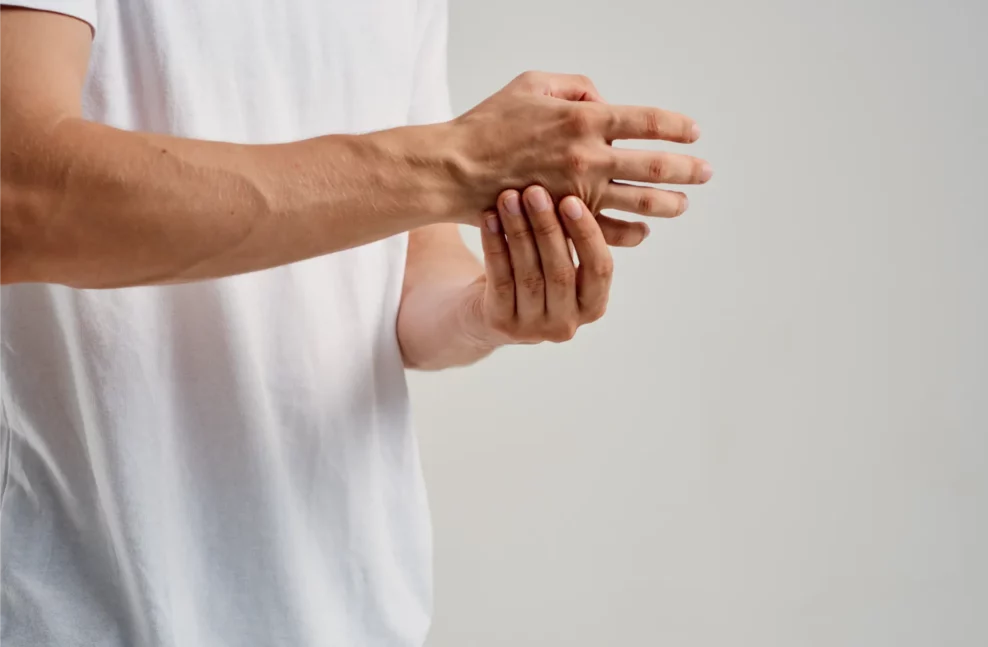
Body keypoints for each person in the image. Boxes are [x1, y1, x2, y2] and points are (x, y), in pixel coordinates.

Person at [0, 1, 711, 645]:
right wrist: (458, 161)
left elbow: (405, 272)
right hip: (83, 611)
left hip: (357, 615)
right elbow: (19, 193)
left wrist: (488, 306)